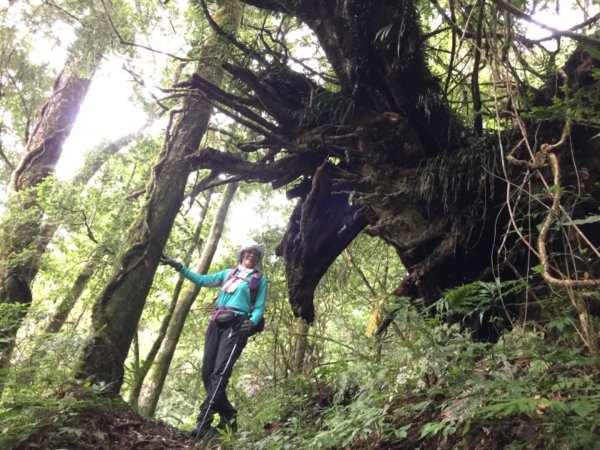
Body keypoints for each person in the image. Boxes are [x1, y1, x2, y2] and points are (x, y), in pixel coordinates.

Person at [160, 242, 268, 439]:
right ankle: (228, 413)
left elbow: (260, 306)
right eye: (248, 252)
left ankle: (203, 423)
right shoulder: (228, 273)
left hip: (238, 325)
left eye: (255, 254)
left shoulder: (259, 279)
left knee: (219, 372)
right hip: (216, 323)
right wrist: (178, 266)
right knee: (207, 373)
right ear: (242, 254)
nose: (251, 255)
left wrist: (252, 322)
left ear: (258, 259)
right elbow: (201, 280)